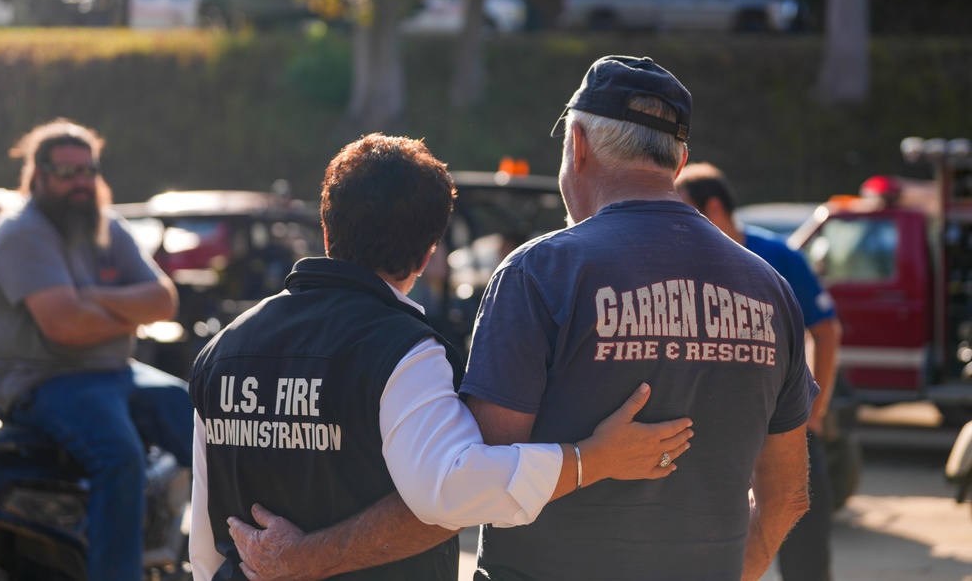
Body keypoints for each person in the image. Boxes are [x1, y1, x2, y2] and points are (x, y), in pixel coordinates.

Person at [192, 133, 694, 581]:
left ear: (327, 230)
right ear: (429, 253)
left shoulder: (221, 351)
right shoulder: (401, 351)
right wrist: (593, 459)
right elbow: (453, 489)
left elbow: (205, 540)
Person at [452, 55, 815, 580]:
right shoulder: (769, 288)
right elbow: (788, 497)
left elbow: (484, 480)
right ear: (680, 159)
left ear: (577, 144)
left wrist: (586, 460)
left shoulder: (540, 272)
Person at [0, 118, 195, 581]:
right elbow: (65, 328)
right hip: (42, 381)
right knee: (120, 453)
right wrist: (120, 311)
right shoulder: (23, 232)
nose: (80, 182)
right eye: (66, 171)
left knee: (198, 416)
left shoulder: (104, 226)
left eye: (88, 170)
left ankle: (237, 552)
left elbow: (164, 300)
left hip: (113, 369)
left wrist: (88, 297)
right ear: (38, 175)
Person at [676, 162, 842, 581]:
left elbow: (826, 330)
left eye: (683, 208)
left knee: (803, 542)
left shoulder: (777, 257)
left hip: (785, 423)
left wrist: (815, 412)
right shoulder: (682, 261)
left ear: (713, 208)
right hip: (713, 432)